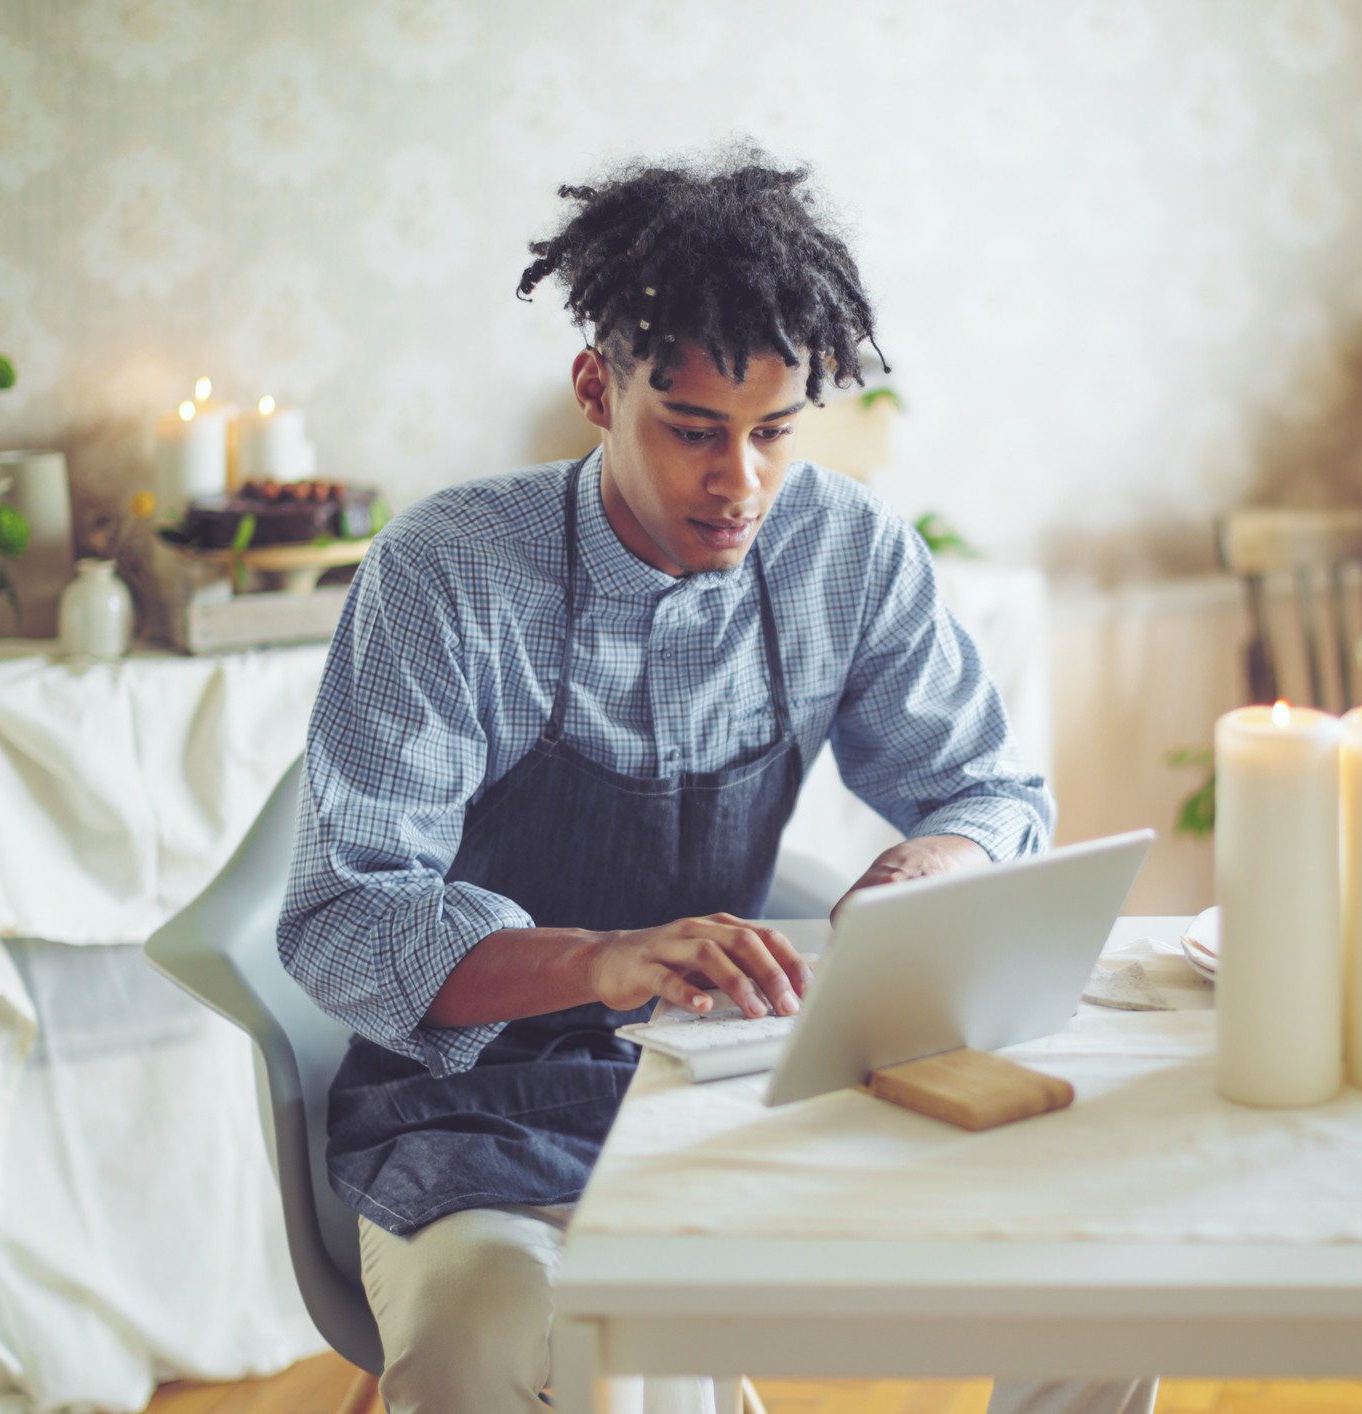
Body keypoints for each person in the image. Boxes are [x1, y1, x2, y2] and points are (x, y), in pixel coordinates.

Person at [278, 151, 1157, 1414]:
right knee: (480, 1340)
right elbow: (348, 913)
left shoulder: (845, 549)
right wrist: (601, 960)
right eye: (692, 430)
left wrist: (926, 868)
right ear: (597, 387)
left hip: (733, 1087)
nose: (737, 482)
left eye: (773, 433)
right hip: (472, 1115)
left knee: (1100, 1274)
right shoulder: (448, 572)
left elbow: (992, 793)